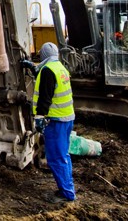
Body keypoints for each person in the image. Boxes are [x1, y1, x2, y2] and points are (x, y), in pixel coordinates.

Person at [32, 42, 76, 203]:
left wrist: (39, 117)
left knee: (56, 157)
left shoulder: (47, 71)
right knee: (63, 155)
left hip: (56, 120)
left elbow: (45, 96)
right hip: (67, 117)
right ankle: (67, 188)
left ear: (43, 55)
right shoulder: (60, 68)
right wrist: (33, 69)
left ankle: (67, 194)